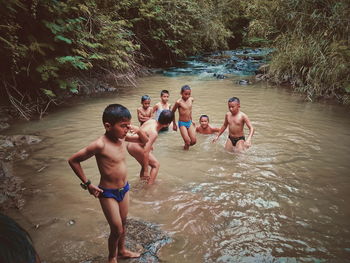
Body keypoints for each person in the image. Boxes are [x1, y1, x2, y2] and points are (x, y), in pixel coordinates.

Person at [68, 104, 148, 263]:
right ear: (108, 126)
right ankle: (112, 257)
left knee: (123, 224)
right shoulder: (100, 145)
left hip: (124, 189)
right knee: (117, 229)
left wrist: (138, 130)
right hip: (107, 193)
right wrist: (88, 184)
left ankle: (123, 251)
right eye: (123, 126)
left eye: (128, 125)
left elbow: (144, 141)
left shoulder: (122, 138)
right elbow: (73, 160)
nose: (126, 129)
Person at [127, 110, 174, 184]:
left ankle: (143, 182)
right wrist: (146, 171)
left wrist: (150, 145)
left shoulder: (151, 121)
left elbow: (142, 132)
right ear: (167, 124)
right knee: (155, 165)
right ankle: (149, 187)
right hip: (136, 147)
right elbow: (146, 151)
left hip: (131, 144)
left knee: (144, 163)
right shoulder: (154, 132)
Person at [172, 85, 196, 150]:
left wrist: (192, 119)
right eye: (185, 94)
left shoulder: (191, 99)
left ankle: (184, 147)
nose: (187, 96)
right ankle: (185, 155)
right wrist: (174, 124)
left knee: (193, 141)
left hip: (189, 122)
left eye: (189, 94)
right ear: (181, 93)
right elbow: (172, 112)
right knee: (188, 141)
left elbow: (190, 110)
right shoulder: (178, 102)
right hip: (182, 123)